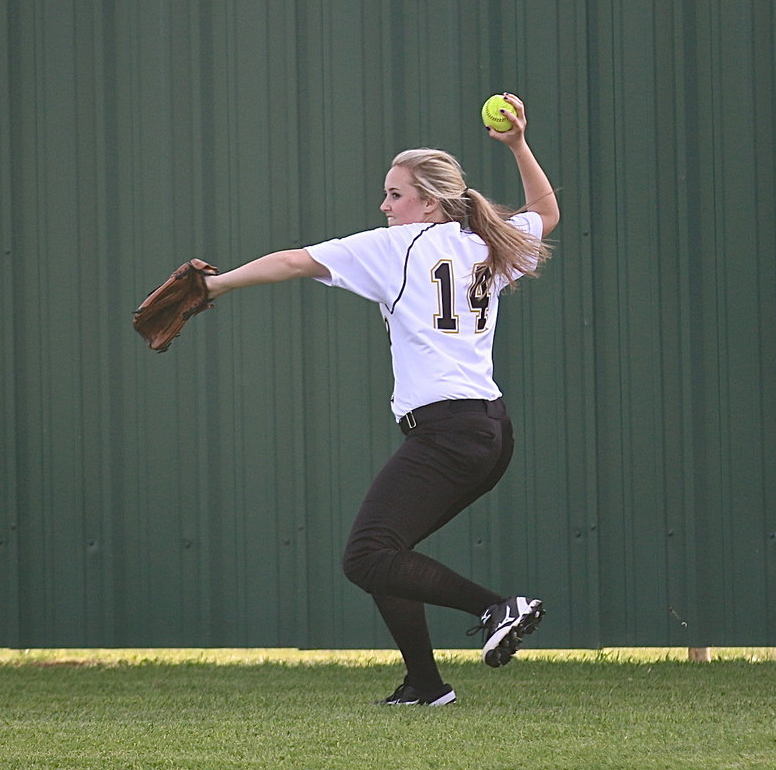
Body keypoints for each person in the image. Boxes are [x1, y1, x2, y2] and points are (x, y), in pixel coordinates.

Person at [205, 93, 559, 705]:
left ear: (428, 201)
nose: (384, 204)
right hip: (489, 433)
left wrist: (212, 286)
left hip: (449, 433)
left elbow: (293, 261)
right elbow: (546, 214)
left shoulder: (401, 246)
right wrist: (519, 145)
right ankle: (425, 685)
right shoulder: (486, 242)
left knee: (366, 556)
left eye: (395, 194)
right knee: (388, 552)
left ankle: (499, 608)